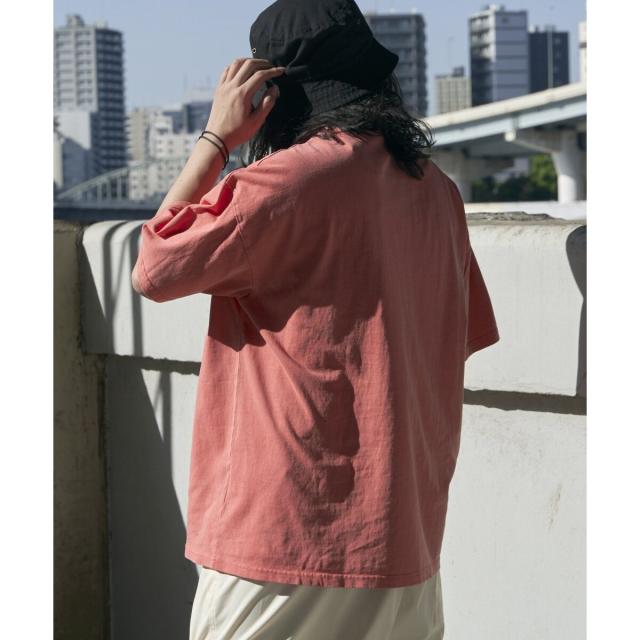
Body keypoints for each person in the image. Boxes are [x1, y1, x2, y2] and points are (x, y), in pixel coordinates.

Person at [131, 1, 500, 638]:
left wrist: (217, 139)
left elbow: (154, 268)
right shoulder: (438, 192)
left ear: (270, 95)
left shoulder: (283, 183)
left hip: (285, 537)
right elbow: (452, 338)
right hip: (401, 542)